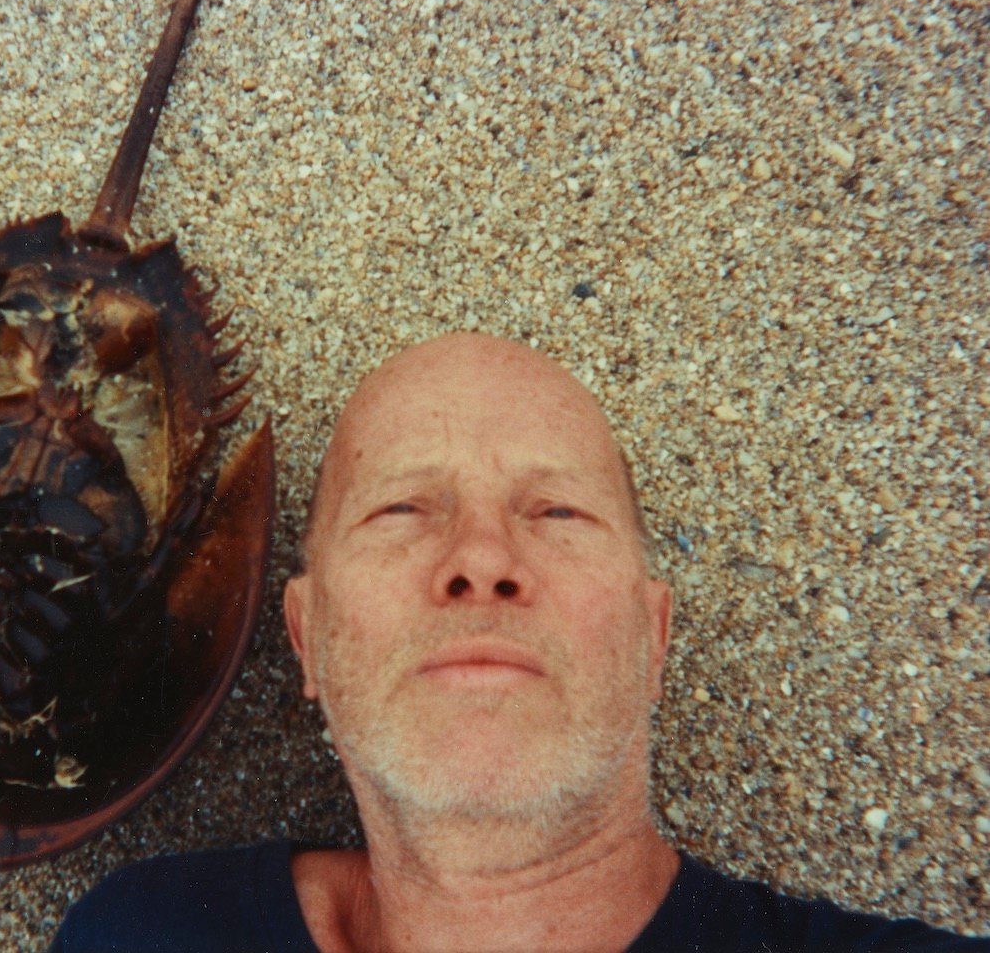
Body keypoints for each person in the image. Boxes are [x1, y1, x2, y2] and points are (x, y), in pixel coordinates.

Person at [52, 333, 989, 952]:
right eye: (401, 509)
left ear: (651, 636)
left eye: (557, 510)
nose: (483, 559)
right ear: (309, 638)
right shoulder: (145, 935)